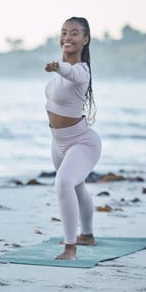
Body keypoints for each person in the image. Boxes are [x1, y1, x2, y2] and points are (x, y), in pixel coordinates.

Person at [44, 17, 101, 260]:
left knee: (63, 183)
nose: (68, 36)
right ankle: (86, 235)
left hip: (82, 143)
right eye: (65, 32)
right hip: (59, 143)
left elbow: (70, 72)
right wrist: (57, 69)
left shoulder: (81, 71)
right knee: (76, 187)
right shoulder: (58, 75)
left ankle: (71, 248)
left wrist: (59, 66)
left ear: (85, 40)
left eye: (75, 33)